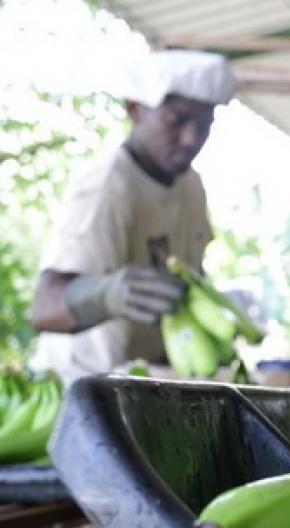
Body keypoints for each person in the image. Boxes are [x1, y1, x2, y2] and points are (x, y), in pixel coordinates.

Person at [29, 49, 235, 385]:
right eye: (176, 120)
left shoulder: (191, 185)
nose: (191, 139)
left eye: (204, 125)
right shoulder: (107, 188)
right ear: (135, 109)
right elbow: (44, 308)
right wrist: (107, 294)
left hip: (142, 382)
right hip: (81, 387)